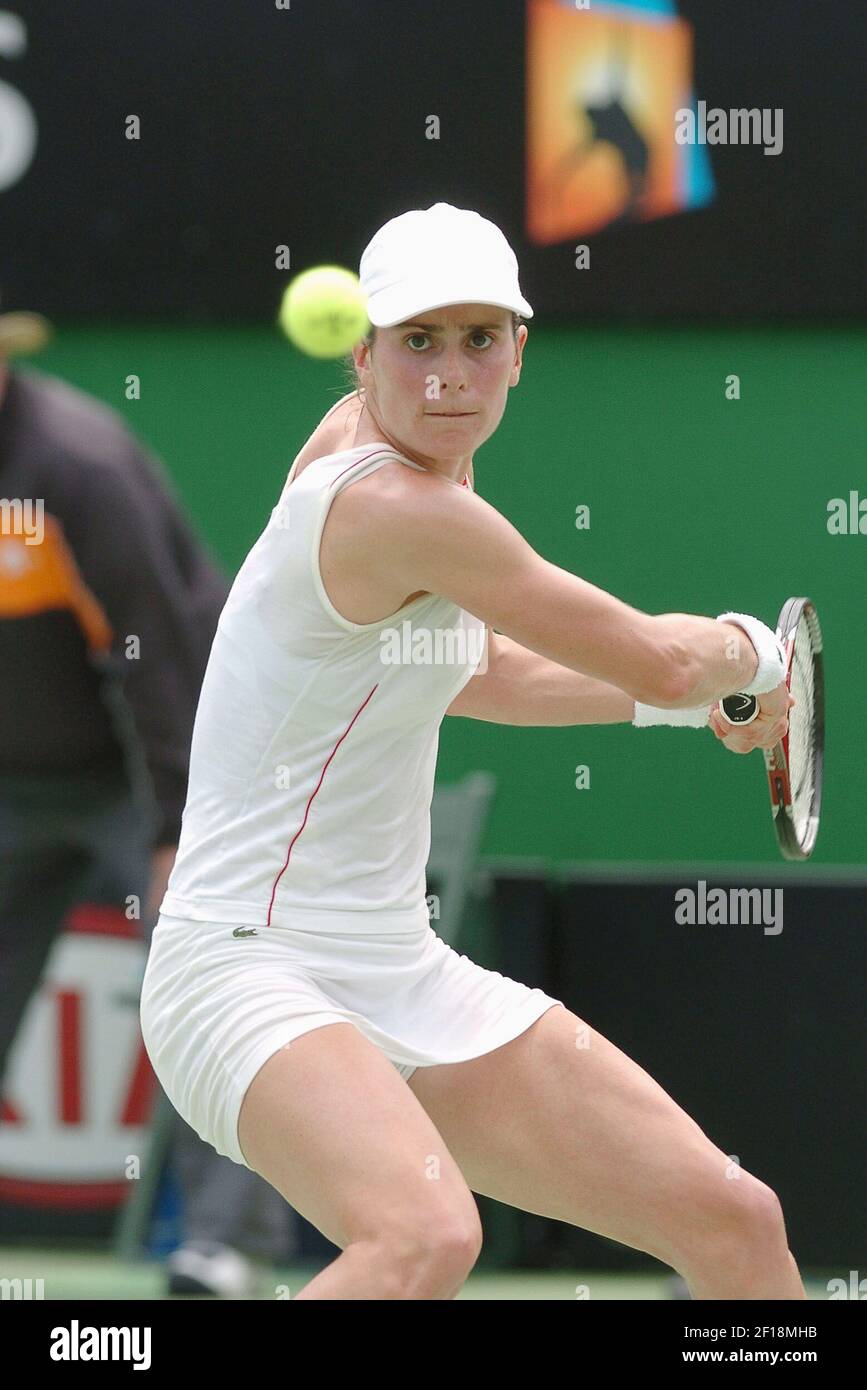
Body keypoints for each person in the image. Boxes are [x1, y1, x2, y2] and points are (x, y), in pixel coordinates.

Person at [139, 201, 803, 1300]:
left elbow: (479, 671)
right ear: (366, 353)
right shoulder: (397, 503)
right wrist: (747, 651)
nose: (450, 374)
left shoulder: (409, 457)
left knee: (736, 1221)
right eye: (419, 342)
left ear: (519, 352)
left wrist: (685, 710)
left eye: (479, 339)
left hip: (395, 967)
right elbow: (665, 659)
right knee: (423, 1236)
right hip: (239, 970)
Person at [0, 302, 291, 1294]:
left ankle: (229, 1246)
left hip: (155, 771)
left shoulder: (77, 468)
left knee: (210, 985)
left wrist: (182, 825)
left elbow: (158, 658)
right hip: (13, 782)